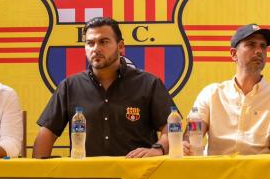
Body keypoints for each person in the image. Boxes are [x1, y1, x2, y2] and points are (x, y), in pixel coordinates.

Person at [33, 17, 177, 158]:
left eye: (103, 42)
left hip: (138, 176)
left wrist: (158, 149)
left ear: (120, 47)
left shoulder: (148, 83)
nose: (96, 48)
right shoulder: (70, 86)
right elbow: (47, 133)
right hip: (88, 177)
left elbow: (171, 126)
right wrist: (38, 176)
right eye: (90, 43)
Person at [183, 24, 270, 155]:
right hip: (216, 173)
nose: (259, 51)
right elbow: (190, 141)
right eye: (251, 44)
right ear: (233, 54)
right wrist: (183, 146)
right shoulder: (211, 94)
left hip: (261, 174)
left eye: (263, 46)